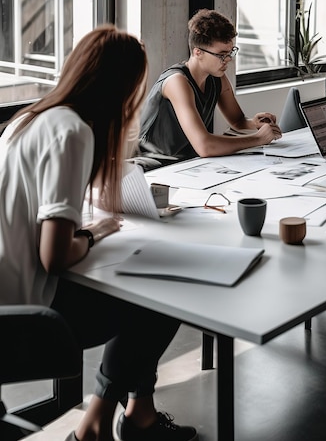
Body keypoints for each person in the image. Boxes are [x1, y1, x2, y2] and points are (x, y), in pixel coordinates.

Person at [0, 26, 197, 441]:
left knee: (142, 283)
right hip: (26, 319)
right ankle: (94, 425)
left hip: (6, 297)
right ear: (120, 88)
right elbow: (53, 255)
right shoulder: (73, 131)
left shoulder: (27, 119)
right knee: (162, 293)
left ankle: (140, 413)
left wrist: (87, 228)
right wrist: (92, 234)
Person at [138, 9, 282, 166]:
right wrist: (258, 139)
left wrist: (254, 123)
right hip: (155, 167)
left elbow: (237, 121)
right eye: (221, 55)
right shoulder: (177, 82)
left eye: (231, 53)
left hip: (190, 165)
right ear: (198, 52)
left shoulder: (216, 78)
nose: (228, 60)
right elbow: (204, 146)